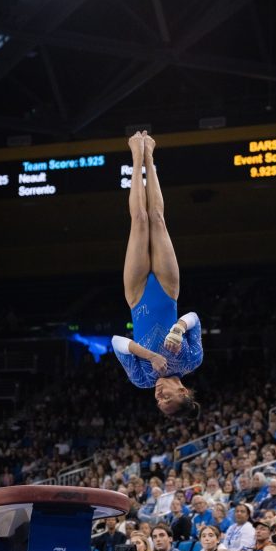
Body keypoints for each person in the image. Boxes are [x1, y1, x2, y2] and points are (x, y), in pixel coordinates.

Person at [111, 130, 202, 417]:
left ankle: (136, 156)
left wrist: (150, 356)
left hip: (137, 298)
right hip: (167, 291)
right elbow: (194, 318)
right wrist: (179, 328)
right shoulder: (191, 362)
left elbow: (117, 341)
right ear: (183, 392)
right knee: (158, 220)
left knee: (138, 221)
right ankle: (150, 157)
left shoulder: (141, 379)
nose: (160, 397)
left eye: (159, 403)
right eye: (169, 400)